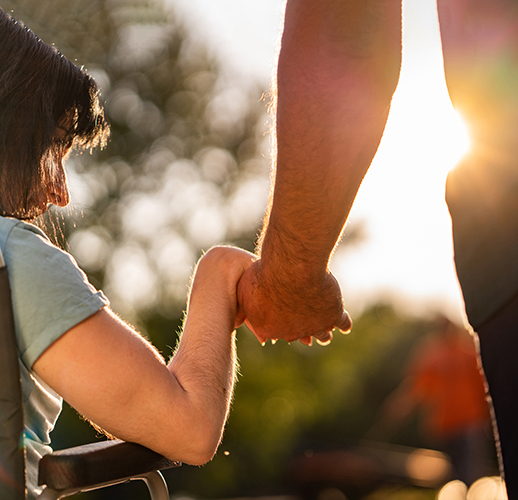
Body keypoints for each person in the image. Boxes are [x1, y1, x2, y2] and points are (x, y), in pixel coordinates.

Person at [237, 0, 518, 496]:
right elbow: (417, 388)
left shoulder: (448, 350)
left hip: (507, 219)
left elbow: (347, 29)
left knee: (471, 474)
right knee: (465, 472)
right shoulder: (437, 351)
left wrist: (293, 275)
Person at [0, 9, 255, 499]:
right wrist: (218, 274)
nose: (60, 193)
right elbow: (191, 430)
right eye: (50, 147)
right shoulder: (13, 258)